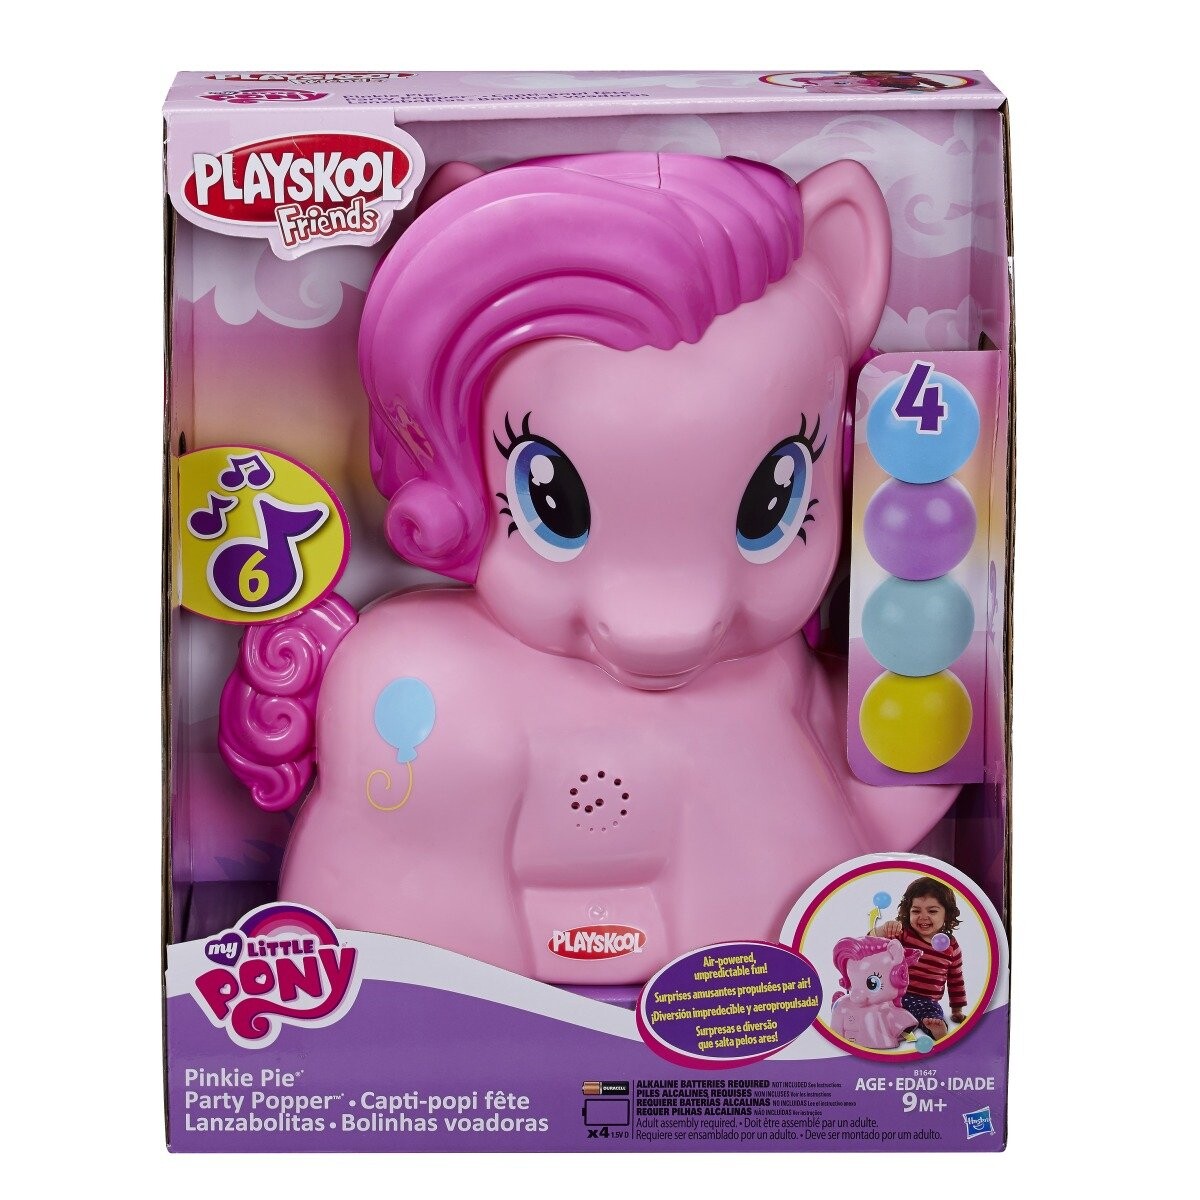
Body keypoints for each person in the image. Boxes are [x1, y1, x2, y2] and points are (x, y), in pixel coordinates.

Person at [876, 876, 967, 1039]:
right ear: (907, 912)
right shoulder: (902, 934)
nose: (923, 917)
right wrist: (884, 929)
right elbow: (871, 944)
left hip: (926, 1001)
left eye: (932, 911)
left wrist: (957, 1010)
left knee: (932, 1013)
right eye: (916, 911)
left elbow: (956, 979)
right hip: (895, 995)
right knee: (883, 1007)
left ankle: (933, 1027)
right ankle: (898, 1025)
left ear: (947, 914)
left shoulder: (951, 946)